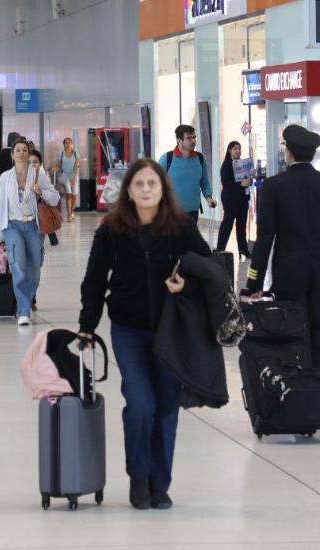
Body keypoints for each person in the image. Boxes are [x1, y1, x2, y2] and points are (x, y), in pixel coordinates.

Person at [77, 157, 211, 510]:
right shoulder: (111, 230)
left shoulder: (180, 227)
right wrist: (87, 325)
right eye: (140, 184)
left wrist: (187, 281)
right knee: (140, 404)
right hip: (129, 331)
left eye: (152, 183)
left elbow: (208, 264)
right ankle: (139, 477)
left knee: (167, 406)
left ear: (163, 189)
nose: (147, 189)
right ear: (129, 192)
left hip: (171, 331)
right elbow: (94, 280)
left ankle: (159, 484)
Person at [242, 125, 320, 376]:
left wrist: (254, 283)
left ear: (289, 153)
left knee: (292, 328)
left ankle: (297, 393)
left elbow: (265, 238)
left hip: (289, 271)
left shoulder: (274, 187)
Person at [0, 139, 60, 326]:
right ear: (12, 155)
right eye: (18, 150)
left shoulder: (38, 174)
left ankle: (26, 298)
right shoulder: (5, 177)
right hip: (12, 226)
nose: (21, 153)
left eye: (25, 150)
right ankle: (23, 310)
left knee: (35, 269)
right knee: (18, 266)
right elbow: (2, 206)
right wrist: (0, 232)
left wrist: (42, 192)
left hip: (33, 225)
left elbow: (54, 198)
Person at [159, 124, 216, 221]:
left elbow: (204, 181)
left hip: (193, 211)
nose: (193, 141)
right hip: (171, 212)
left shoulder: (200, 159)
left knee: (190, 236)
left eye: (194, 137)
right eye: (189, 138)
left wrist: (209, 197)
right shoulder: (167, 159)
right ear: (179, 140)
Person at [217, 141, 252, 259]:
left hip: (243, 199)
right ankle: (220, 249)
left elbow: (248, 179)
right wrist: (240, 184)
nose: (238, 151)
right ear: (229, 150)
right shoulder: (227, 164)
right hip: (230, 199)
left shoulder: (243, 164)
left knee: (241, 225)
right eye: (235, 148)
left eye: (239, 148)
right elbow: (226, 183)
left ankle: (243, 249)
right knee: (227, 224)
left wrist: (249, 181)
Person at [29, 150, 58, 247]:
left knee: (36, 255)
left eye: (35, 162)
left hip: (36, 222)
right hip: (18, 223)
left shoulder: (41, 176)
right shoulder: (13, 176)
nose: (32, 165)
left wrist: (41, 192)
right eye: (29, 162)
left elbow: (55, 198)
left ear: (40, 164)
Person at [55, 137, 80, 222]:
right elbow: (59, 164)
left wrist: (75, 178)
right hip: (65, 174)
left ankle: (72, 211)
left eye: (69, 142)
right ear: (64, 144)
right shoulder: (61, 153)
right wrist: (55, 167)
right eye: (66, 142)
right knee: (68, 194)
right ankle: (69, 214)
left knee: (74, 194)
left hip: (74, 174)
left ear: (72, 144)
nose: (68, 144)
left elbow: (77, 166)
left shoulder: (75, 153)